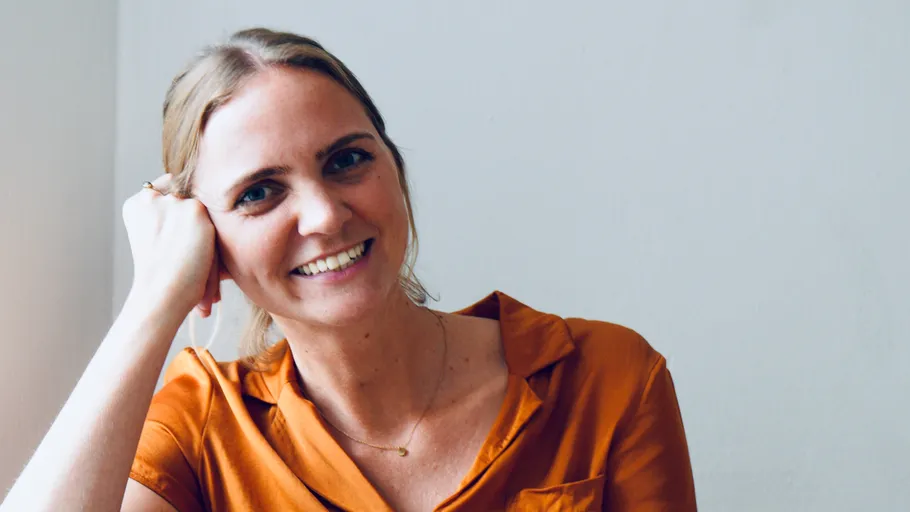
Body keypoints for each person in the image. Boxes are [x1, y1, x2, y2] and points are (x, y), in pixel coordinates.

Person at [2, 28, 696, 511]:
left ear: (395, 168)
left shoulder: (606, 379)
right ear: (208, 240)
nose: (326, 216)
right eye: (259, 192)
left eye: (346, 160)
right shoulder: (203, 425)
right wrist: (153, 301)